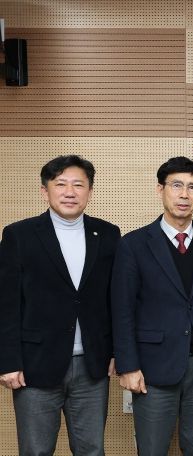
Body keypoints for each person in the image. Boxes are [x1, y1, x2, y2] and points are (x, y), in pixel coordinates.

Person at [0, 155, 120, 456]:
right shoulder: (19, 235)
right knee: (36, 451)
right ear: (45, 191)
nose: (70, 192)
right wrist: (8, 361)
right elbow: (7, 303)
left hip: (92, 366)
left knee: (92, 450)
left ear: (89, 191)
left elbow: (115, 300)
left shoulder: (108, 234)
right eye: (61, 184)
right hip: (35, 365)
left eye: (78, 185)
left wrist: (116, 352)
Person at [111, 156, 193, 456]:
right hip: (152, 366)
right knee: (152, 449)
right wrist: (128, 366)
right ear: (160, 189)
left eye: (192, 187)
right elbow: (122, 309)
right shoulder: (134, 244)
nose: (184, 194)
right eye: (176, 185)